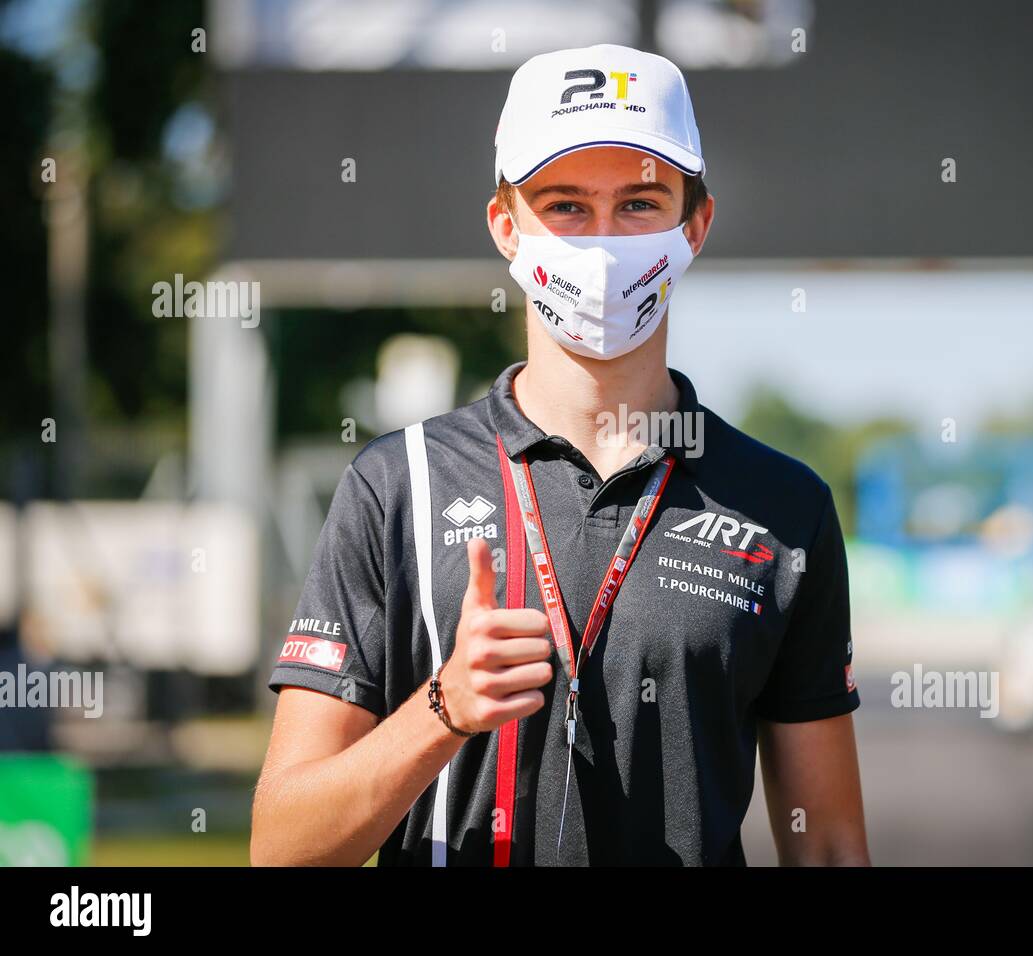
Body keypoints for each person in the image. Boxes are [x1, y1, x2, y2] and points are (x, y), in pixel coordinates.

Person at [251, 42, 868, 867]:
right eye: (566, 205)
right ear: (507, 227)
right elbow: (282, 848)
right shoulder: (396, 484)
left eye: (640, 203)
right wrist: (444, 708)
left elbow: (826, 843)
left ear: (697, 225)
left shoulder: (783, 505)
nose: (603, 243)